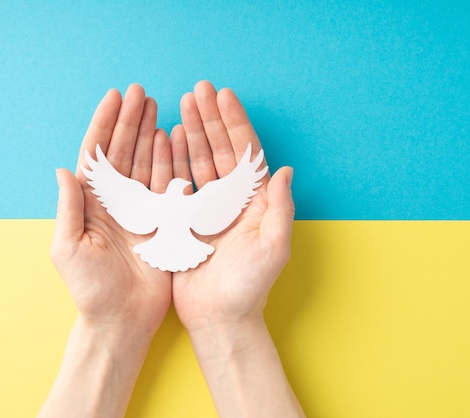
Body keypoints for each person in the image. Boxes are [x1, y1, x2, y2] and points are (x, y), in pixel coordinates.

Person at [37, 81, 304, 418]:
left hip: (183, 242)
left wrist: (229, 320)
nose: (182, 185)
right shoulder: (167, 199)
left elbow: (238, 187)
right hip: (163, 242)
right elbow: (114, 187)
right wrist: (113, 322)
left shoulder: (187, 199)